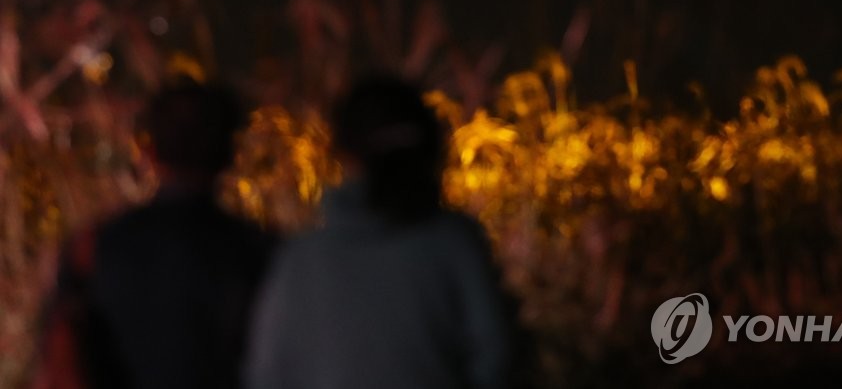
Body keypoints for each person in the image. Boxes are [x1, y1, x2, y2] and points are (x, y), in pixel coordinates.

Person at [245, 75, 519, 389]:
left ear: (342, 154)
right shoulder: (456, 244)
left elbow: (268, 372)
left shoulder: (300, 261)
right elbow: (494, 356)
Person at [34, 79, 276, 389]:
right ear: (230, 154)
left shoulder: (93, 248)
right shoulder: (261, 253)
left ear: (149, 152)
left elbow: (60, 355)